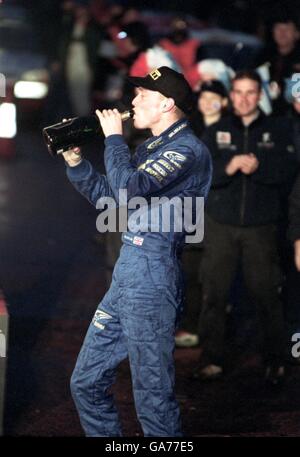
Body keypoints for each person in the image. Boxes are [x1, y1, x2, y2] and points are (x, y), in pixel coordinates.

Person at [62, 66, 212, 436]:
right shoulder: (151, 147)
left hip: (153, 276)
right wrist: (78, 165)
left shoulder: (188, 150)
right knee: (86, 383)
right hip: (129, 273)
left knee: (152, 398)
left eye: (142, 95)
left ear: (167, 104)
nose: (133, 101)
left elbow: (128, 190)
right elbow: (114, 202)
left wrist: (113, 139)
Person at [196, 70, 294, 384]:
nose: (243, 99)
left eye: (250, 92)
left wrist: (260, 167)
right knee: (214, 294)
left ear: (259, 95)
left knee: (266, 294)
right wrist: (229, 166)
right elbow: (203, 171)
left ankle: (275, 359)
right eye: (238, 92)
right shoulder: (218, 128)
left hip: (260, 227)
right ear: (231, 96)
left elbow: (289, 171)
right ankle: (212, 359)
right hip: (221, 224)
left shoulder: (278, 129)